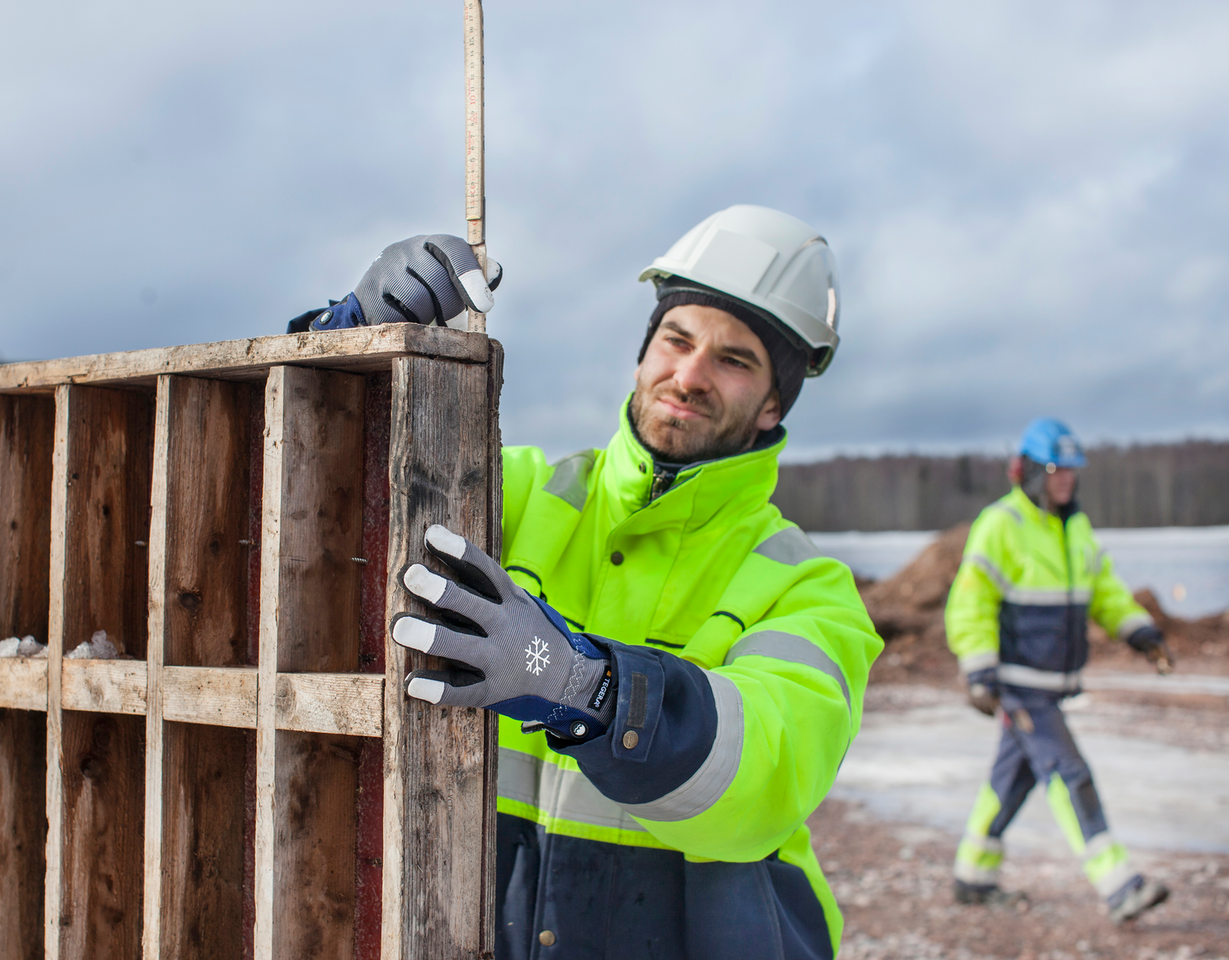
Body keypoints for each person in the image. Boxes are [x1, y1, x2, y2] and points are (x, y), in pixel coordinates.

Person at [294, 206, 883, 959]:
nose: (690, 374)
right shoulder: (511, 494)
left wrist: (589, 688)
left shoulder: (808, 585)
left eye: (735, 360)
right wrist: (347, 348)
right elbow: (322, 505)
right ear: (644, 351)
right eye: (676, 339)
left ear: (775, 401)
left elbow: (767, 770)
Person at [944, 418, 1173, 924]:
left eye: (1071, 470)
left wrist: (1142, 632)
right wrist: (979, 671)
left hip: (1052, 686)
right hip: (1022, 687)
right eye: (1055, 469)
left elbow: (1106, 591)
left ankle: (973, 874)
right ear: (1026, 470)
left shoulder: (1076, 528)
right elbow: (970, 602)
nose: (1065, 479)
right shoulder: (1002, 524)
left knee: (1012, 779)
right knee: (1072, 776)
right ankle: (1119, 885)